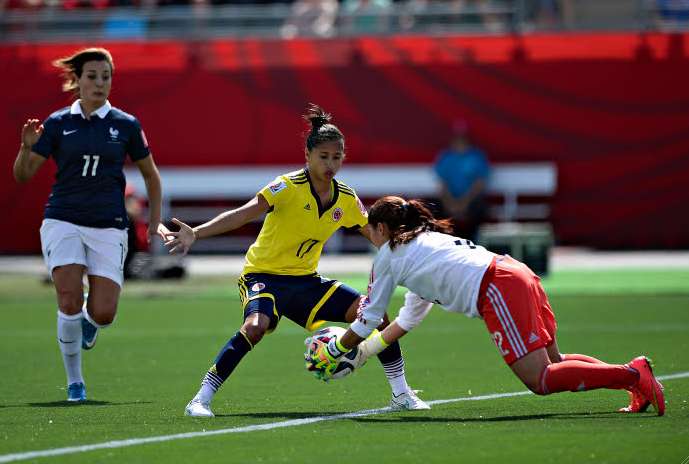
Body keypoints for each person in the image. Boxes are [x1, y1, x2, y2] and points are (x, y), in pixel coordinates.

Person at [165, 104, 427, 417]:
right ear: (308, 155)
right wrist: (196, 233)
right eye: (324, 156)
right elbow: (242, 214)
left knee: (375, 315)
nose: (331, 163)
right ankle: (201, 399)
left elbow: (377, 236)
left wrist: (418, 251)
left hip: (306, 282)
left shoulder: (345, 197)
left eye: (337, 156)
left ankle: (401, 394)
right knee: (255, 327)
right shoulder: (287, 187)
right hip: (263, 276)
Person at [309, 196, 666, 416]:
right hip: (516, 272)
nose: (369, 237)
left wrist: (339, 349)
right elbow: (405, 320)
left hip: (498, 288)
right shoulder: (424, 244)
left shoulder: (388, 257)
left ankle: (633, 374)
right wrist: (365, 352)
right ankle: (633, 381)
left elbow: (368, 316)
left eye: (370, 231)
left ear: (383, 229)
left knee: (540, 380)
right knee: (555, 363)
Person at [13, 47, 168, 402]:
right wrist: (25, 148)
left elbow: (152, 178)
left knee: (104, 313)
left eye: (106, 77)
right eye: (92, 76)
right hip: (62, 219)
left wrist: (156, 224)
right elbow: (22, 176)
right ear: (77, 81)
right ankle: (75, 382)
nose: (99, 83)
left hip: (109, 225)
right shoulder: (56, 124)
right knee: (67, 298)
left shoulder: (126, 125)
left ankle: (89, 321)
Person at [433, 120, 490, 242]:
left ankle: (475, 242)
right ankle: (445, 243)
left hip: (471, 201)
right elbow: (442, 184)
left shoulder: (477, 156)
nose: (459, 141)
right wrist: (449, 203)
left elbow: (479, 184)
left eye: (462, 138)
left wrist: (464, 202)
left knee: (480, 210)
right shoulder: (446, 156)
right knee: (434, 211)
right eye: (457, 138)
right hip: (450, 201)